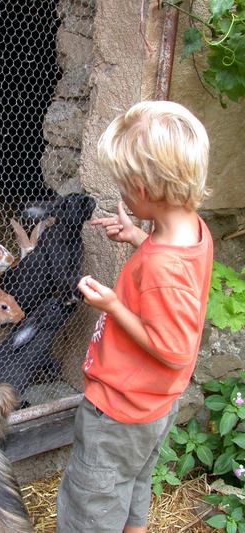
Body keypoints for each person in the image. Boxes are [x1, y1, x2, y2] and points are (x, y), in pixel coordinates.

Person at [56, 100, 214, 533]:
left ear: (146, 189)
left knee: (92, 498)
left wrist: (112, 306)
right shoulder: (191, 232)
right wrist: (137, 237)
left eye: (125, 186)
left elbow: (175, 349)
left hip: (120, 409)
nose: (122, 194)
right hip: (153, 405)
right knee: (133, 480)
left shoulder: (163, 266)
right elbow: (168, 276)